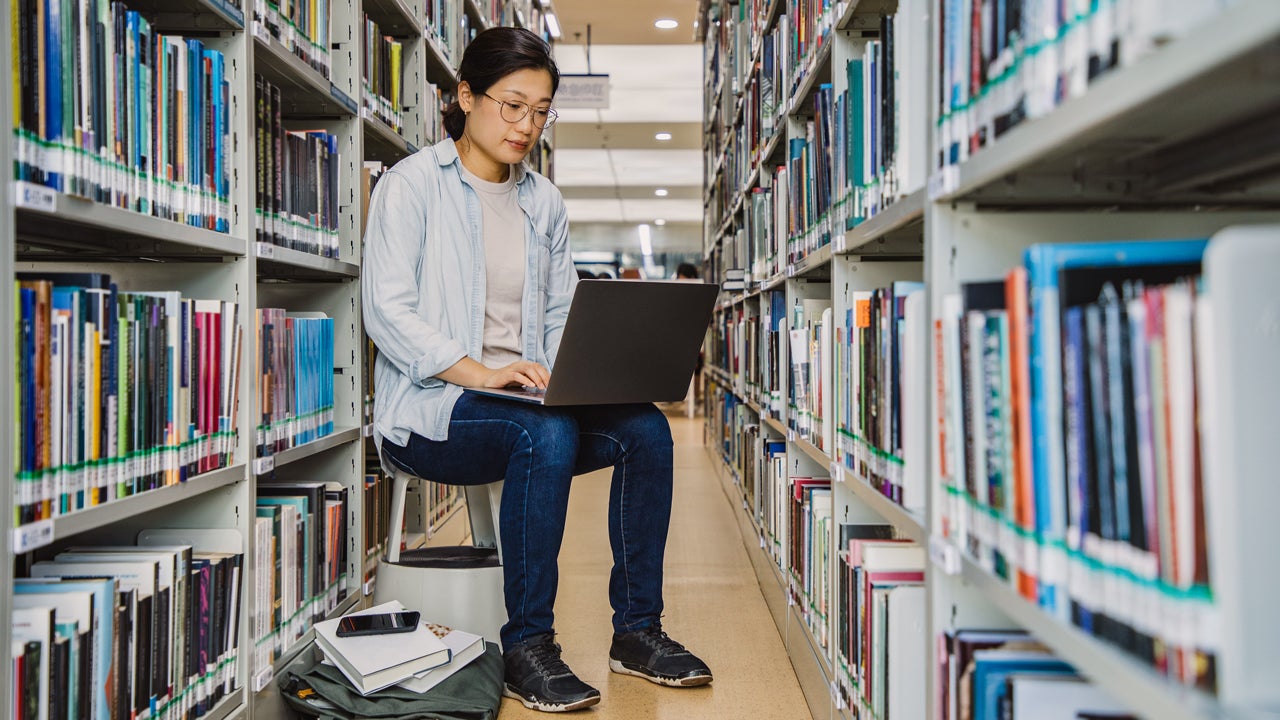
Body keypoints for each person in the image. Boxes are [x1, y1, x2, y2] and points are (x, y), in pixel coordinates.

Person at [361, 27, 712, 714]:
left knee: (645, 430)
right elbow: (388, 312)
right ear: (465, 96)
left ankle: (637, 631)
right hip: (432, 411)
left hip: (526, 401)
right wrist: (479, 372)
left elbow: (557, 317)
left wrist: (576, 375)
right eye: (512, 105)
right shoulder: (410, 187)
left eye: (542, 110)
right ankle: (527, 646)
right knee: (540, 438)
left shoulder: (543, 202)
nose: (528, 125)